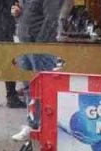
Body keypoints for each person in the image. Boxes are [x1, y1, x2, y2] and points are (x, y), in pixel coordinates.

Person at [11, 0, 69, 140]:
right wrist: (19, 15)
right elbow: (33, 16)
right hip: (26, 44)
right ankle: (34, 125)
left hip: (39, 47)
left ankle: (44, 127)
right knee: (29, 87)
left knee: (41, 87)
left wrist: (39, 44)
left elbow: (51, 19)